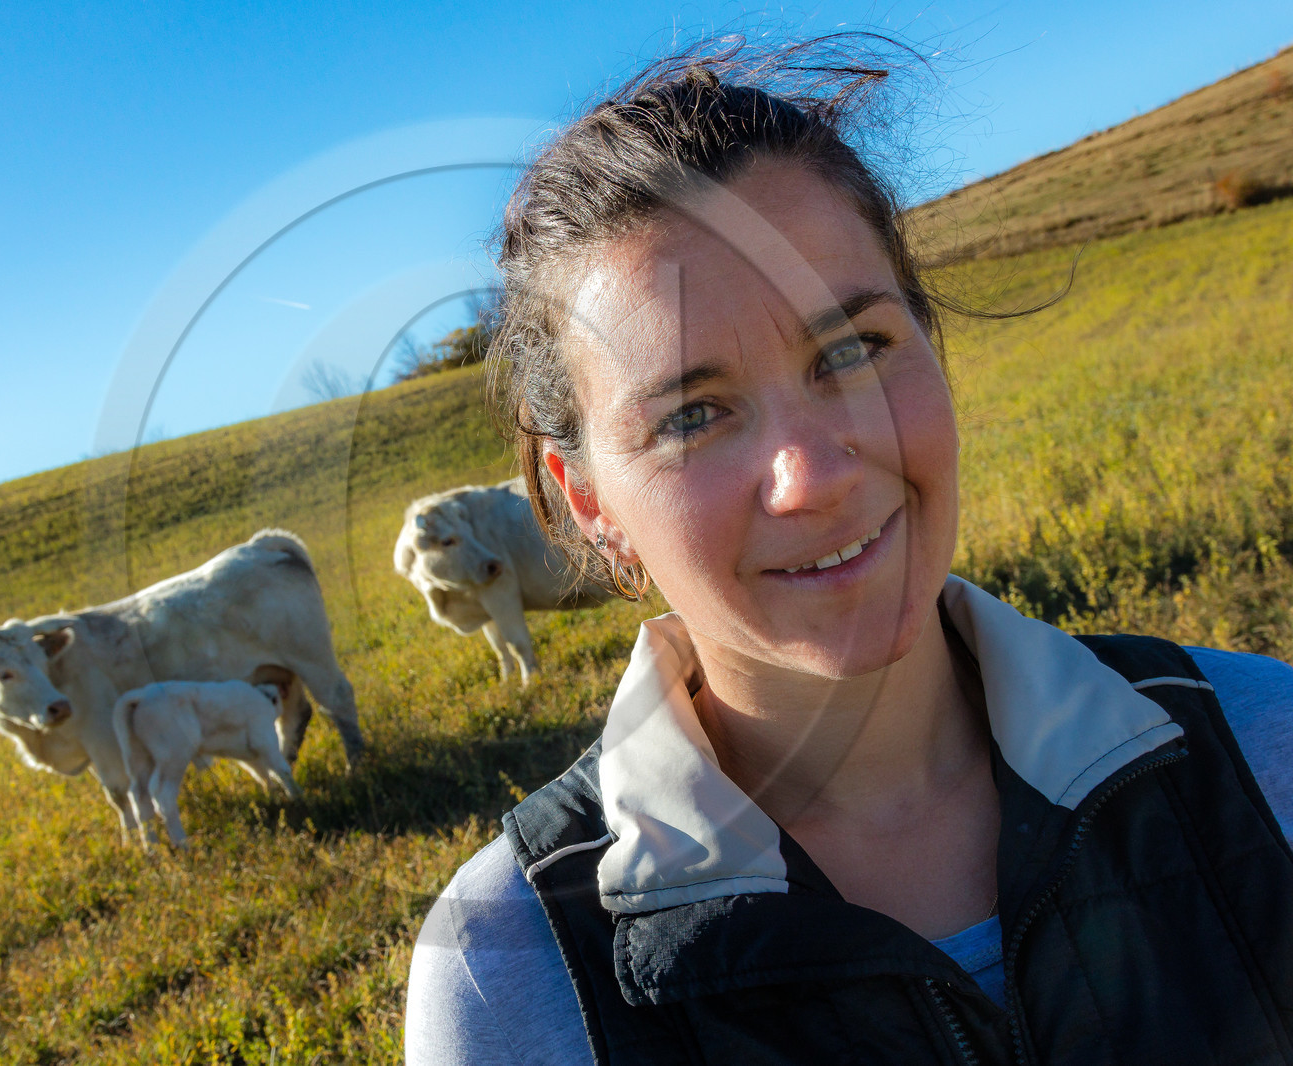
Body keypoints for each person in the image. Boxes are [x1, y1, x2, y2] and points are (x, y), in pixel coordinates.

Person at [403, 38, 1293, 1066]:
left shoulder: (1262, 755)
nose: (812, 474)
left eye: (851, 350)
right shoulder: (512, 969)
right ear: (590, 501)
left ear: (930, 343)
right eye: (693, 415)